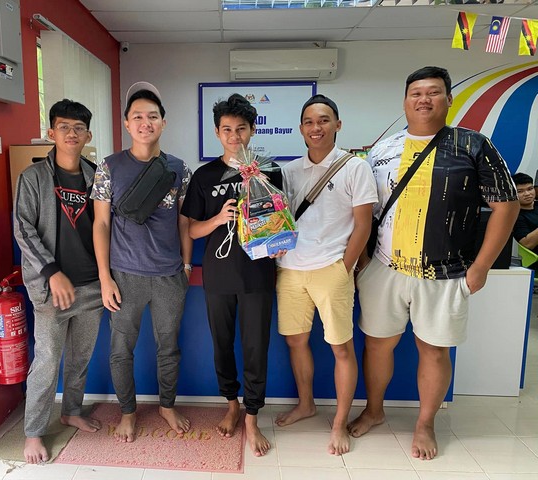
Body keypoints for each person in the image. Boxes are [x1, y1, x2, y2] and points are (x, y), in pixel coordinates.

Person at [348, 66, 519, 460]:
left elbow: (506, 205)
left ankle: (425, 423)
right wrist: (363, 259)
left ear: (448, 99)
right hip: (384, 268)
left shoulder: (474, 145)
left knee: (434, 350)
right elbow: (364, 209)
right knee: (377, 344)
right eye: (416, 93)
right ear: (405, 101)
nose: (423, 99)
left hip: (446, 272)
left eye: (433, 92)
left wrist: (480, 267)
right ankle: (374, 410)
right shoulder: (382, 150)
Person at [275, 94, 377, 455]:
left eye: (323, 120)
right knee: (295, 341)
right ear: (300, 128)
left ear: (337, 124)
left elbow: (363, 225)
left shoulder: (355, 168)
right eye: (308, 122)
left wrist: (343, 267)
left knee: (341, 348)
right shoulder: (287, 171)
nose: (315, 128)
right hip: (290, 270)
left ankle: (339, 424)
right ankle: (306, 404)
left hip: (332, 268)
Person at [91, 81, 192, 443]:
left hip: (169, 276)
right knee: (121, 349)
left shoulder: (179, 169)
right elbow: (101, 224)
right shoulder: (109, 167)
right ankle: (128, 413)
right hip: (124, 276)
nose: (145, 122)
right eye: (137, 117)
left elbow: (184, 222)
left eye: (152, 116)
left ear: (163, 122)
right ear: (126, 123)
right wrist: (105, 278)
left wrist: (186, 266)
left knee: (169, 347)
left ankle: (167, 406)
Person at [181, 94, 281, 457]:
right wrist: (218, 219)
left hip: (258, 273)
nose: (234, 135)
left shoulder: (269, 169)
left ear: (252, 130)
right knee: (221, 344)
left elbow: (279, 220)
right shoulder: (204, 176)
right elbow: (191, 230)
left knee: (256, 347)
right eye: (227, 129)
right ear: (217, 133)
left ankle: (252, 417)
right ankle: (231, 404)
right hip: (219, 273)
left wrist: (278, 240)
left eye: (241, 128)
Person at [13, 99, 104, 464]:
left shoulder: (97, 176)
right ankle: (33, 432)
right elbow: (23, 228)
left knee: (81, 357)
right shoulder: (33, 177)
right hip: (51, 288)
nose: (71, 133)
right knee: (48, 360)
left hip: (92, 286)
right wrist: (52, 272)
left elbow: (107, 227)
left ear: (88, 136)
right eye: (64, 127)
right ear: (51, 132)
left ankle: (71, 411)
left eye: (78, 128)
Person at [511, 172, 538, 253]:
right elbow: (527, 244)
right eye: (520, 191)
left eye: (530, 189)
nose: (527, 194)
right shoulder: (515, 216)